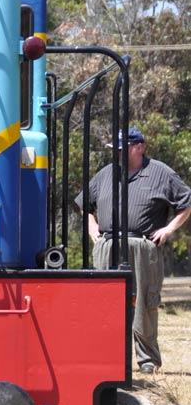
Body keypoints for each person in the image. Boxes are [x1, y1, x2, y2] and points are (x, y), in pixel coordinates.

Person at [76, 127, 191, 374]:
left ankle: (147, 359)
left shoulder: (161, 173)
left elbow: (186, 203)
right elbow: (84, 205)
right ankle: (106, 359)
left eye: (122, 148)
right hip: (108, 246)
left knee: (143, 303)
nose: (117, 153)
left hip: (142, 248)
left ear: (139, 147)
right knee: (104, 303)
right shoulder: (107, 173)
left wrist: (169, 230)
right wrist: (93, 227)